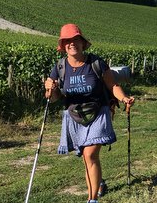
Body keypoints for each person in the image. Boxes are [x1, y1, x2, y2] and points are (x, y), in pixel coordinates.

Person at [45, 23, 134, 203]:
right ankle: (98, 183)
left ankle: (91, 199)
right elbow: (53, 98)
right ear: (63, 46)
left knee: (89, 154)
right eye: (67, 41)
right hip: (74, 116)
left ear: (82, 43)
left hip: (99, 112)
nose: (72, 44)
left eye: (76, 40)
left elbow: (112, 86)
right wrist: (50, 88)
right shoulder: (60, 67)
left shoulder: (95, 63)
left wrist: (124, 98)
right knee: (87, 158)